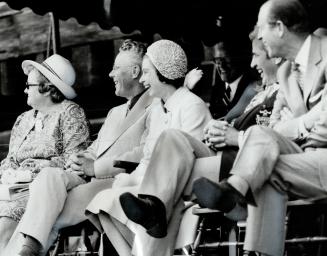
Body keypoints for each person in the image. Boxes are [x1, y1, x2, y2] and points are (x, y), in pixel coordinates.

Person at [117, 27, 281, 256]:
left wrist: (233, 134)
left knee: (168, 173)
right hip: (222, 155)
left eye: (257, 56)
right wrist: (220, 126)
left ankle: (154, 208)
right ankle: (154, 208)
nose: (252, 65)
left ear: (276, 57)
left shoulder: (274, 92)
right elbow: (231, 118)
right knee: (169, 157)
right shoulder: (259, 92)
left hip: (236, 162)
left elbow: (271, 133)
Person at [193, 0, 327, 255]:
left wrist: (297, 120)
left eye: (261, 28)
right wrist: (306, 120)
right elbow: (273, 128)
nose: (257, 36)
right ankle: (255, 239)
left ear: (278, 27)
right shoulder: (286, 71)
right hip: (307, 157)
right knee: (260, 139)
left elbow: (325, 127)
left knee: (265, 168)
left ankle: (235, 194)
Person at [2, 39, 153, 256]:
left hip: (116, 180)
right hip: (85, 179)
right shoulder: (115, 112)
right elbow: (95, 148)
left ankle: (27, 249)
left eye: (116, 68)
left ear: (136, 71)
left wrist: (95, 166)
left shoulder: (154, 106)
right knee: (49, 179)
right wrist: (80, 159)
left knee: (42, 211)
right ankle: (29, 249)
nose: (110, 74)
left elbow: (144, 151)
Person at [85, 39, 212, 256]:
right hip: (154, 186)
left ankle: (152, 217)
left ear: (162, 73)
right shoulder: (158, 111)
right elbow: (146, 160)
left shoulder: (192, 105)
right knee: (103, 202)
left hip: (183, 188)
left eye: (146, 73)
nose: (143, 80)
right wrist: (128, 180)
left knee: (130, 201)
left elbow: (191, 161)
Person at [0, 54, 90, 253]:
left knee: (4, 222)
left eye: (28, 85)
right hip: (13, 187)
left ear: (47, 88)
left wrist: (43, 166)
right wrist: (8, 172)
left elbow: (76, 160)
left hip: (44, 190)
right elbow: (10, 160)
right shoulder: (23, 119)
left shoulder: (70, 112)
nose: (24, 90)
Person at [209, 38, 259, 120]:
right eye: (217, 60)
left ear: (238, 58)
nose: (221, 65)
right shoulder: (217, 88)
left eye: (226, 58)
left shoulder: (253, 86)